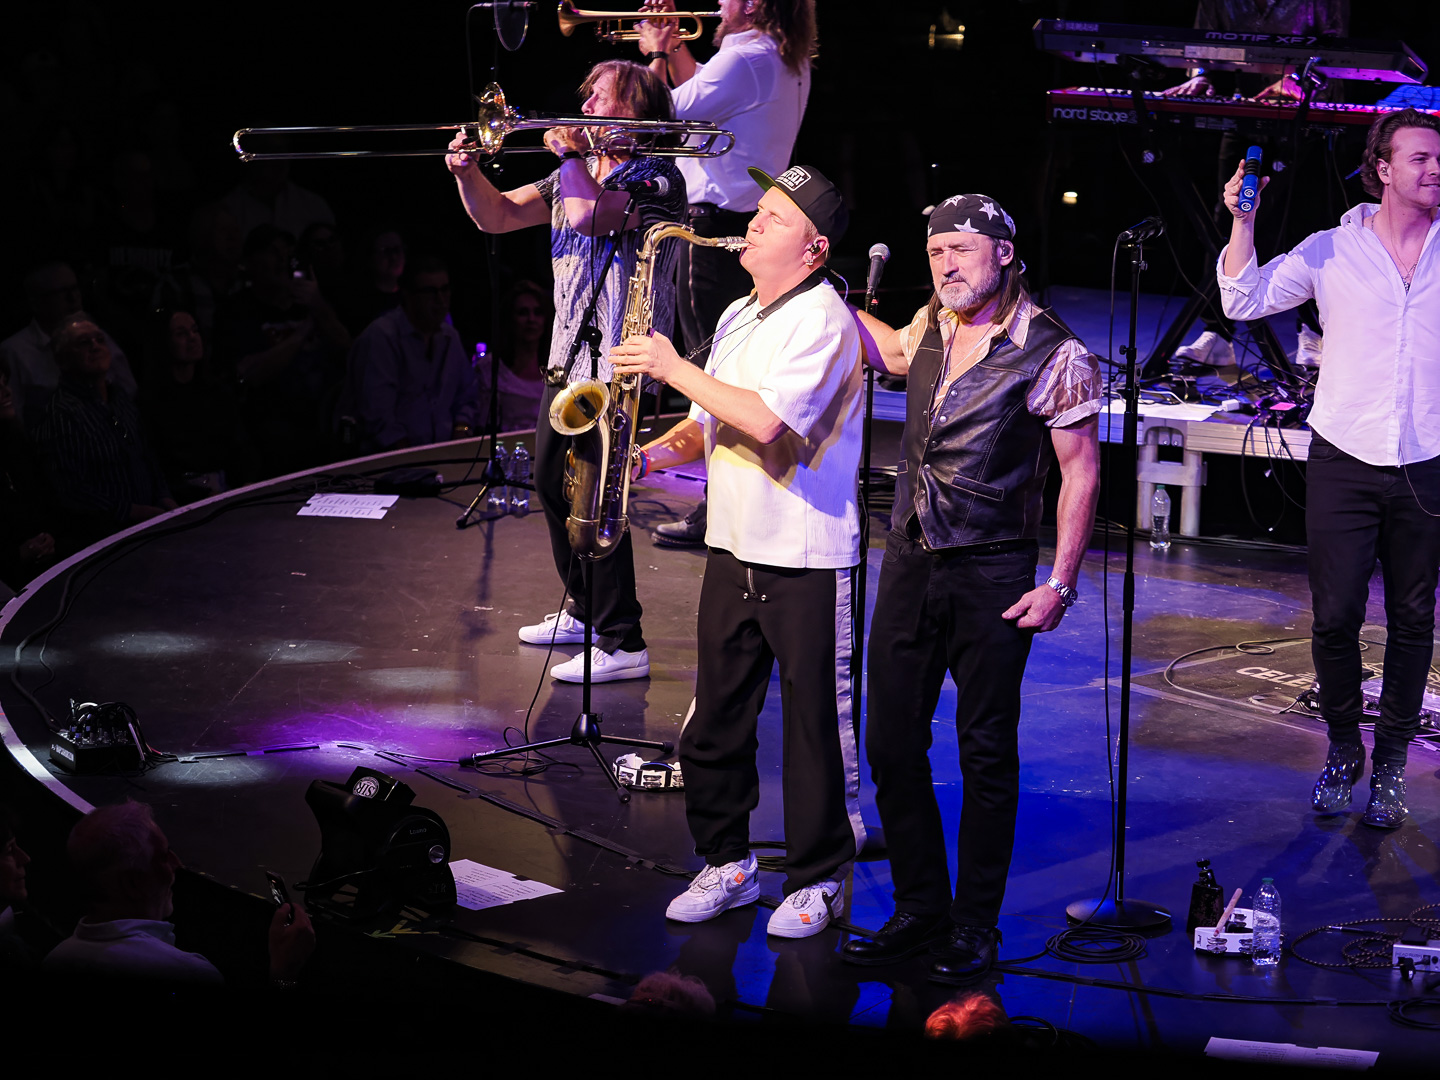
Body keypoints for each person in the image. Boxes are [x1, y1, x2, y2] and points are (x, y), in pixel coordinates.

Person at [841, 195, 1101, 981]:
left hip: (992, 569)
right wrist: (822, 293)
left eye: (960, 248)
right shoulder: (932, 322)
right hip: (911, 556)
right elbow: (890, 353)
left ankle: (975, 925)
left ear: (1005, 253)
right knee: (890, 741)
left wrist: (1060, 583)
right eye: (935, 251)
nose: (945, 264)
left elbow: (1080, 473)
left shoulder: (1054, 351)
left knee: (985, 750)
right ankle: (920, 906)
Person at [614, 164, 865, 938]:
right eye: (758, 211)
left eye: (776, 218)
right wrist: (644, 458)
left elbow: (764, 421)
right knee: (715, 724)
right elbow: (705, 424)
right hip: (733, 548)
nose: (753, 224)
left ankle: (820, 880)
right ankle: (727, 863)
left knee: (816, 733)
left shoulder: (824, 319)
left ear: (814, 250)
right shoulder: (736, 315)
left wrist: (671, 366)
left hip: (807, 558)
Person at [1218, 109, 1440, 829]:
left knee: (1413, 619)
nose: (1435, 169)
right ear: (1383, 168)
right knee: (1336, 615)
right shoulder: (1332, 249)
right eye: (1420, 158)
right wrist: (1243, 221)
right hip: (1345, 453)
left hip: (1426, 459)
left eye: (1439, 159)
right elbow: (1243, 300)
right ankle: (1345, 746)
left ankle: (1392, 761)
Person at [447, 60, 687, 684]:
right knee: (553, 487)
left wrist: (572, 155)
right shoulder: (571, 175)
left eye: (599, 98)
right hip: (567, 359)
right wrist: (468, 173)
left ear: (635, 112)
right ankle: (584, 609)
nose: (584, 108)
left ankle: (623, 638)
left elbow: (591, 217)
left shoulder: (660, 178)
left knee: (597, 500)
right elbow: (498, 216)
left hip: (617, 367)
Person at [637, 0, 817, 548]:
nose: (717, 4)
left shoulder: (747, 60)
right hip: (741, 221)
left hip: (710, 226)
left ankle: (716, 507)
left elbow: (656, 112)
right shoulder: (774, 57)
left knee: (707, 371)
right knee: (727, 365)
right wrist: (675, 46)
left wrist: (656, 50)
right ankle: (727, 498)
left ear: (755, 4)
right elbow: (705, 92)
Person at [43, 801, 314, 985]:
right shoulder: (184, 971)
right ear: (132, 884)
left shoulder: (55, 958)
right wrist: (284, 975)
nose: (177, 864)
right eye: (163, 856)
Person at [30, 312, 176, 549]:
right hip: (107, 543)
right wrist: (133, 511)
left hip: (153, 528)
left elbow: (146, 453)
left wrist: (164, 495)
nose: (95, 346)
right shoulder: (60, 414)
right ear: (62, 359)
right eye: (83, 343)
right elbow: (71, 491)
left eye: (99, 340)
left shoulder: (119, 398)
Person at [349, 255, 476, 451]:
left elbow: (467, 396)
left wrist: (461, 431)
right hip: (390, 459)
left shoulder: (450, 337)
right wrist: (411, 457)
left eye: (445, 290)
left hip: (444, 455)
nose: (440, 300)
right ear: (408, 295)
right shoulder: (381, 338)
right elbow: (378, 416)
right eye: (430, 292)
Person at [0, 261, 138, 424]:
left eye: (75, 289)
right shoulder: (14, 351)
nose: (73, 298)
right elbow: (14, 416)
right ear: (36, 302)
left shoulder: (96, 336)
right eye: (60, 292)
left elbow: (129, 390)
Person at [476, 280, 550, 434]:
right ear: (510, 318)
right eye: (523, 313)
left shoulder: (557, 369)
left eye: (537, 312)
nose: (531, 319)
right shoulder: (490, 368)